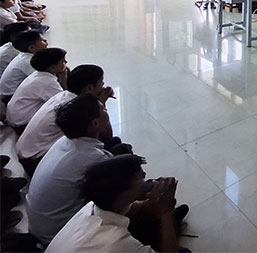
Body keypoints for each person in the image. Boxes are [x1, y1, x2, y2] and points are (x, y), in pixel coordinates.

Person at [46, 155, 184, 252]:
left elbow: (137, 208)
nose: (144, 177)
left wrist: (158, 203)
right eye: (139, 178)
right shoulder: (116, 242)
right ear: (123, 194)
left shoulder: (94, 206)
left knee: (146, 223)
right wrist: (165, 212)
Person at [26, 95, 114, 245]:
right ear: (95, 123)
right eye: (103, 109)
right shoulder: (92, 157)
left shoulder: (64, 141)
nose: (106, 109)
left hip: (38, 226)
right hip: (56, 235)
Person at [17, 64, 117, 175]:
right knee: (110, 143)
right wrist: (101, 104)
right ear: (89, 88)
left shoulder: (63, 96)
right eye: (101, 82)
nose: (103, 85)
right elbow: (106, 134)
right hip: (35, 160)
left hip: (26, 152)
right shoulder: (78, 109)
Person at [6, 48, 68, 130]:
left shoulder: (38, 74)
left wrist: (63, 75)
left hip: (16, 117)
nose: (66, 62)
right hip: (22, 123)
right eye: (63, 61)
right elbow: (64, 102)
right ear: (53, 68)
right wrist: (64, 77)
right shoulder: (47, 82)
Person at [0, 29, 49, 101]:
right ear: (32, 48)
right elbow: (43, 80)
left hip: (11, 93)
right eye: (42, 41)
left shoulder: (25, 55)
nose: (46, 41)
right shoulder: (29, 62)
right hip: (11, 96)